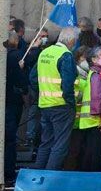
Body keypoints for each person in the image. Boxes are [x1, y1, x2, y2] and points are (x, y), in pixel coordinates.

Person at [30, 26, 78, 170]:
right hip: (61, 105)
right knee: (60, 145)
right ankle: (50, 176)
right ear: (72, 41)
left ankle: (38, 175)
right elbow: (68, 83)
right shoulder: (65, 55)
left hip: (45, 104)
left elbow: (33, 78)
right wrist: (70, 102)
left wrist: (43, 92)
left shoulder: (45, 52)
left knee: (46, 142)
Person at [69, 46, 101, 171]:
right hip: (96, 120)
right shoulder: (97, 74)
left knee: (88, 154)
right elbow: (97, 97)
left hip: (88, 120)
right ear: (94, 59)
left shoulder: (92, 73)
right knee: (95, 156)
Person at [4, 32, 27, 182]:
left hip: (9, 100)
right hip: (12, 101)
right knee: (9, 138)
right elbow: (21, 81)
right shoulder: (16, 56)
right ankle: (8, 172)